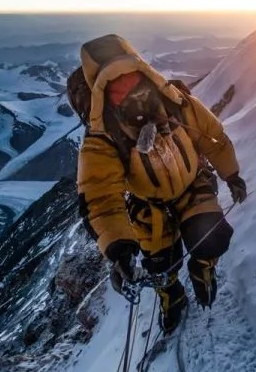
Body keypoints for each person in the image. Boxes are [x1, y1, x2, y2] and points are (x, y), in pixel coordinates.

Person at [71, 34, 246, 333]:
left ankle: (199, 269)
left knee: (211, 236)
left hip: (190, 187)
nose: (129, 89)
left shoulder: (176, 104)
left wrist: (231, 174)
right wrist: (118, 248)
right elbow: (100, 195)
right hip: (150, 205)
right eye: (117, 85)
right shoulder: (106, 138)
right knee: (160, 264)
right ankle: (172, 294)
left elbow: (211, 137)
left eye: (131, 77)